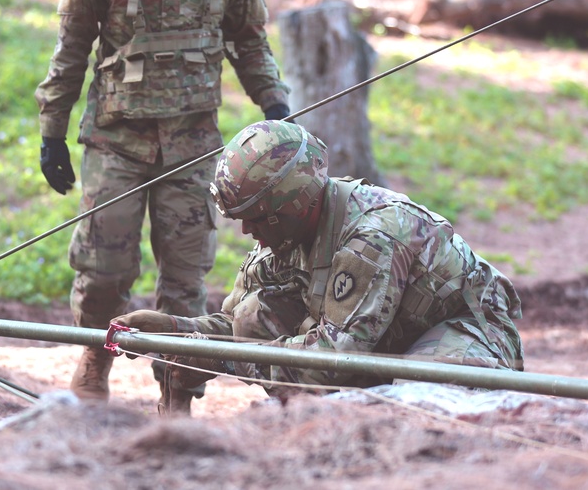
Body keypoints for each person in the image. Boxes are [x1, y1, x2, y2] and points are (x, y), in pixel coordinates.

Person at [34, 0, 291, 413]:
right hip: (116, 141)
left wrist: (276, 108)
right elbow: (71, 50)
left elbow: (250, 46)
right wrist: (53, 132)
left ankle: (175, 396)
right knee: (103, 267)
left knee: (185, 281)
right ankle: (94, 358)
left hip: (193, 146)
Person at [113, 120, 524, 402]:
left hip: (461, 329)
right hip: (376, 335)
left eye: (254, 219)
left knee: (423, 400)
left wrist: (217, 358)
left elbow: (332, 359)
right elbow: (236, 326)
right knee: (256, 314)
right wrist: (174, 331)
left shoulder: (373, 236)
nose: (246, 233)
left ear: (290, 204)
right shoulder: (287, 234)